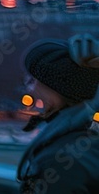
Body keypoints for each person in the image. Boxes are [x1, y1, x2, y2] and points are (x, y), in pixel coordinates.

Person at [17, 38, 99, 193]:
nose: (28, 88)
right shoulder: (87, 139)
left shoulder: (58, 159)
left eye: (33, 80)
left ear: (58, 90)